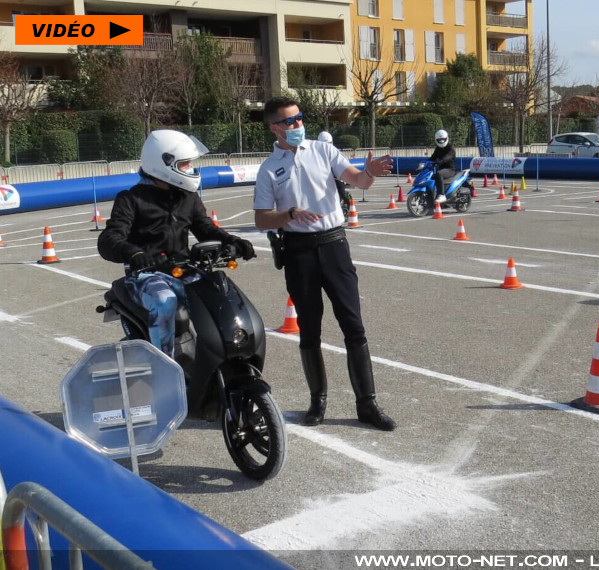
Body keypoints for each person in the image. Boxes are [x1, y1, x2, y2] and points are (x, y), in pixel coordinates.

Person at [253, 96, 396, 430]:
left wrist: (369, 174)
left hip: (334, 245)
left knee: (353, 325)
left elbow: (357, 180)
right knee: (310, 329)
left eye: (300, 119)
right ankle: (317, 402)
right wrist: (288, 214)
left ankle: (367, 404)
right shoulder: (268, 169)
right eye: (290, 121)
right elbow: (261, 220)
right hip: (299, 252)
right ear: (275, 127)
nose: (298, 125)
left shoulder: (323, 150)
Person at [97, 130, 256, 357]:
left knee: (221, 292)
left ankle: (223, 357)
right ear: (164, 164)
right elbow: (110, 239)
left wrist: (235, 242)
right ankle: (166, 365)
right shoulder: (131, 199)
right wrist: (134, 252)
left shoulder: (187, 197)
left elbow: (205, 229)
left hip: (184, 270)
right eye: (185, 165)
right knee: (165, 301)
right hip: (146, 275)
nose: (190, 169)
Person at [318, 130, 352, 217]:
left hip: (336, 177)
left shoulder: (337, 152)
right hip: (322, 178)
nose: (326, 146)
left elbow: (346, 164)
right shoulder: (315, 154)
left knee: (342, 193)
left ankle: (351, 207)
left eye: (328, 143)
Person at [428, 129, 456, 204]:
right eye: (439, 140)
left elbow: (448, 157)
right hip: (441, 168)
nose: (441, 141)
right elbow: (433, 157)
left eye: (443, 139)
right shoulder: (438, 148)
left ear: (446, 138)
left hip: (450, 169)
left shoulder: (450, 148)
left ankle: (441, 194)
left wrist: (440, 161)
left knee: (439, 174)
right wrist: (426, 162)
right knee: (430, 177)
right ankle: (431, 197)